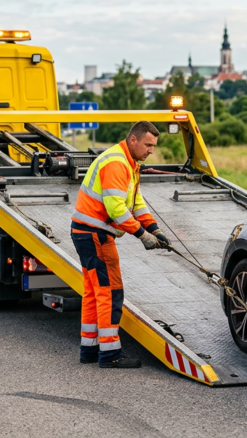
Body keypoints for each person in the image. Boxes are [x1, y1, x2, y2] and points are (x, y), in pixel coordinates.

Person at [70, 121, 170, 368]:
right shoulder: (117, 163)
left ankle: (90, 350)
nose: (151, 150)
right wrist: (142, 235)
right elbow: (116, 208)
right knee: (110, 292)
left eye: (153, 146)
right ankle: (110, 354)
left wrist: (154, 229)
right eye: (148, 144)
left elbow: (136, 203)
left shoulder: (130, 162)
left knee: (94, 293)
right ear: (133, 140)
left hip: (86, 233)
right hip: (95, 235)